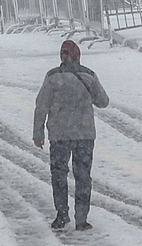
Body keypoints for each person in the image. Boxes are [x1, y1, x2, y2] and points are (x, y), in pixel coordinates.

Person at [33, 38, 109, 230]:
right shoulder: (89, 75)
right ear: (78, 56)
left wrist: (38, 132)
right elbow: (103, 101)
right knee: (83, 176)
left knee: (59, 174)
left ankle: (62, 214)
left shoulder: (52, 77)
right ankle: (81, 219)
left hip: (59, 135)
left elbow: (41, 105)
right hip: (84, 134)